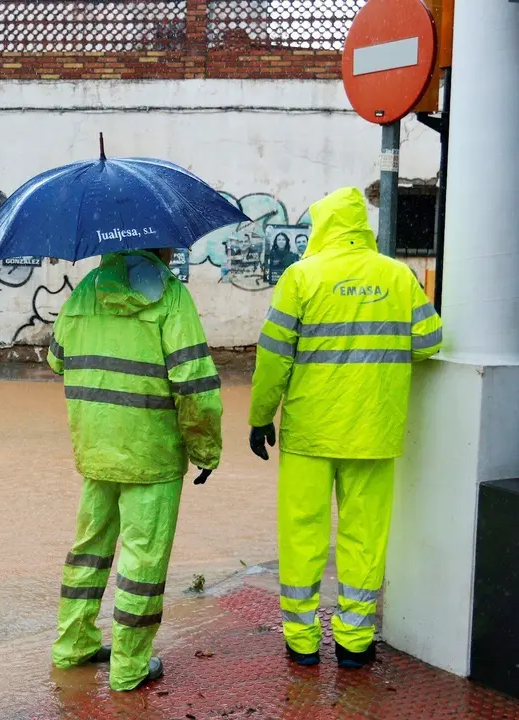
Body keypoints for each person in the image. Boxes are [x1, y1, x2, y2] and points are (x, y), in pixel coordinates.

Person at [247, 187, 443, 669]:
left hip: (310, 433)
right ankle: (355, 643)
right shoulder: (398, 276)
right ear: (361, 226)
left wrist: (260, 416)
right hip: (374, 430)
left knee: (302, 534)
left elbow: (273, 357)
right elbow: (430, 342)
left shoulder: (301, 276)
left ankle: (302, 641)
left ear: (324, 226)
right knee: (365, 536)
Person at [47, 247, 223, 691]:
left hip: (96, 449)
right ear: (162, 244)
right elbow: (195, 387)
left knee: (89, 550)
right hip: (153, 454)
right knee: (142, 561)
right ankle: (128, 668)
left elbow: (56, 358)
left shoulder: (87, 290)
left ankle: (73, 646)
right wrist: (205, 450)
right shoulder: (171, 297)